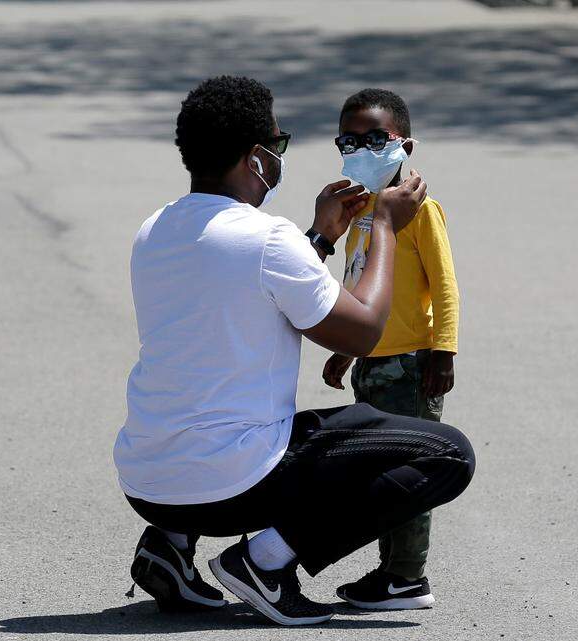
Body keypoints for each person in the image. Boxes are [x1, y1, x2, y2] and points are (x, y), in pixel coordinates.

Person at [113, 76, 476, 626]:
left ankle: (169, 545)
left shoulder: (154, 230)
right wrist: (383, 225)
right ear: (258, 158)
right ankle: (264, 562)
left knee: (218, 402)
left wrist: (322, 240)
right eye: (278, 145)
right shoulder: (268, 238)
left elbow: (249, 293)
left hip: (149, 485)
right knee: (448, 454)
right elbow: (361, 333)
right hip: (232, 486)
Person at [320, 88, 461, 611]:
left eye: (376, 138)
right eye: (350, 140)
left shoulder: (420, 211)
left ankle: (406, 576)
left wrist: (443, 351)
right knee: (380, 470)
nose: (362, 147)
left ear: (406, 145)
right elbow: (359, 285)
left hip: (411, 366)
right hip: (372, 362)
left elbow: (444, 286)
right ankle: (389, 571)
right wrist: (347, 349)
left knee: (411, 469)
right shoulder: (359, 210)